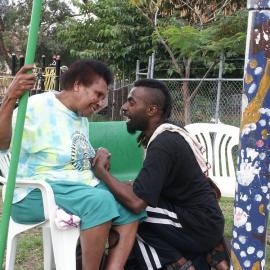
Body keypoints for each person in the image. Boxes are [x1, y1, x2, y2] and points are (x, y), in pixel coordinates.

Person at [0, 60, 146, 270]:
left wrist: (97, 153)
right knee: (100, 201)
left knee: (130, 204)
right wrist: (9, 99)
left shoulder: (81, 116)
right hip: (34, 192)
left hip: (76, 187)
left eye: (103, 97)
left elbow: (71, 156)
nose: (101, 103)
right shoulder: (37, 107)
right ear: (77, 85)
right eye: (98, 94)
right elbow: (2, 143)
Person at [93, 79, 228, 270]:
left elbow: (137, 202)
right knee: (127, 200)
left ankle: (179, 265)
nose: (124, 107)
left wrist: (102, 173)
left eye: (131, 102)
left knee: (130, 212)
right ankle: (199, 258)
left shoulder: (164, 143)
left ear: (152, 110)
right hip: (199, 219)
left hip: (199, 226)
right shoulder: (166, 134)